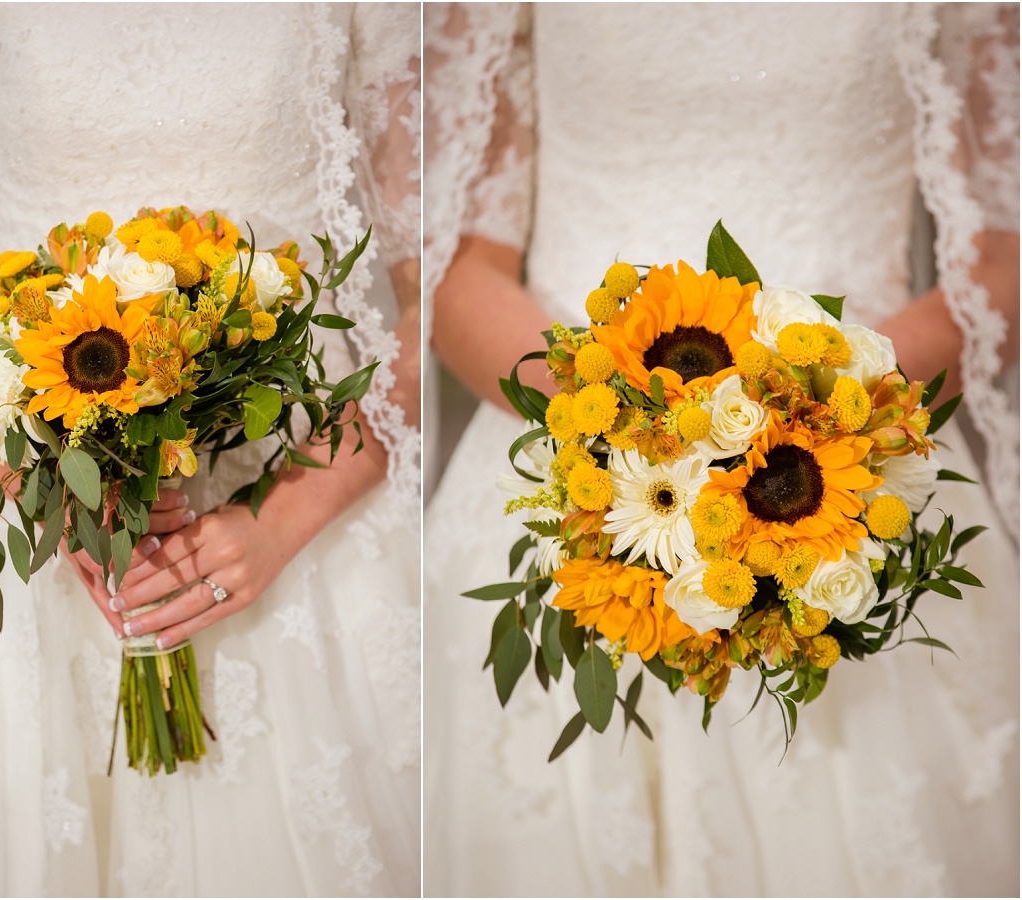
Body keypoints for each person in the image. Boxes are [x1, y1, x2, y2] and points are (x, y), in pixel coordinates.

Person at [423, 3, 1018, 896]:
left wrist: (822, 419)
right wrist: (618, 434)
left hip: (852, 449)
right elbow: (460, 267)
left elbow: (1001, 257)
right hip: (575, 449)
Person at [0, 4, 421, 896]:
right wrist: (48, 483)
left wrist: (284, 518)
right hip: (38, 511)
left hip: (306, 511)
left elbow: (439, 289)